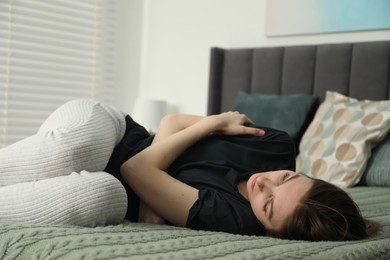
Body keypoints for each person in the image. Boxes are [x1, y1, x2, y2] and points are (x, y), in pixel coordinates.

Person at [0, 99, 379, 241]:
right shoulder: (275, 145)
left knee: (102, 194)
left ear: (270, 230)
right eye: (287, 178)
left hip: (116, 182)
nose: (265, 183)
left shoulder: (233, 216)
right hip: (111, 131)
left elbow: (133, 171)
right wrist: (209, 123)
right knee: (73, 150)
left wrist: (211, 124)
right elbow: (172, 120)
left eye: (268, 205)